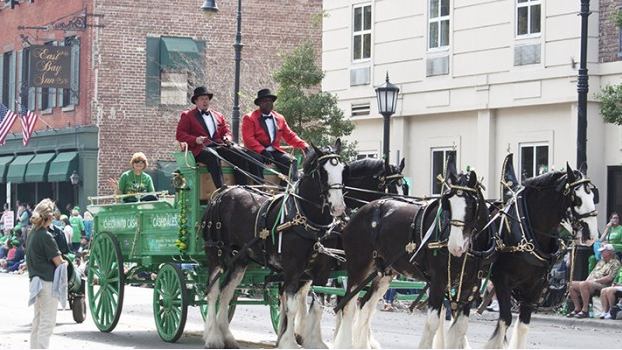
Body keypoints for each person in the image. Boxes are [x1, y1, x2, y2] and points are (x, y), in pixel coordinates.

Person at [176, 86, 255, 187]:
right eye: (202, 99)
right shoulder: (187, 115)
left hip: (218, 146)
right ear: (196, 101)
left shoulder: (218, 115)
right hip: (200, 149)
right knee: (212, 155)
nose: (205, 101)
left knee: (239, 153)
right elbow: (180, 135)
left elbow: (226, 132)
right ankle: (221, 188)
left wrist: (227, 138)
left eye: (207, 99)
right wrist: (195, 139)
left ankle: (242, 187)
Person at [242, 89, 309, 183]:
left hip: (274, 151)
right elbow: (249, 139)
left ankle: (286, 189)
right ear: (259, 104)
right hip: (256, 151)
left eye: (270, 101)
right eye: (265, 101)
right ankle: (260, 188)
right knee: (255, 161)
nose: (268, 103)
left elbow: (290, 135)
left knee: (291, 161)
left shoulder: (279, 118)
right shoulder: (249, 118)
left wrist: (304, 145)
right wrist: (263, 151)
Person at [26, 198, 68, 349]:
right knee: (47, 323)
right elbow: (59, 262)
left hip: (35, 281)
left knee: (37, 322)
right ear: (49, 217)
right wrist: (66, 263)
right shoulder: (45, 235)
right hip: (46, 283)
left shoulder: (32, 233)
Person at [567, 244, 621, 318]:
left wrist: (595, 280)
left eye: (602, 251)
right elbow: (593, 272)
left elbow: (609, 278)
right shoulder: (601, 261)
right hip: (591, 282)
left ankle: (585, 310)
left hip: (602, 284)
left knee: (584, 284)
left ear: (609, 252)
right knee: (571, 284)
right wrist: (588, 280)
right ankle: (577, 308)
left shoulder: (615, 263)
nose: (601, 253)